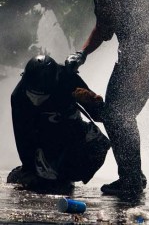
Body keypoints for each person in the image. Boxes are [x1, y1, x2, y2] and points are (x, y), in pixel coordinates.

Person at [65, 0, 149, 199]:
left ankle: (132, 179)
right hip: (126, 62)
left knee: (119, 116)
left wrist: (143, 71)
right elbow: (103, 29)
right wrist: (82, 54)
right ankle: (132, 175)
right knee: (115, 117)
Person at [8, 55, 110, 194]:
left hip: (73, 133)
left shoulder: (67, 78)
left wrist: (92, 101)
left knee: (100, 144)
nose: (37, 98)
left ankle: (65, 173)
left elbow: (100, 115)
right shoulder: (18, 96)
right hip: (43, 142)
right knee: (43, 183)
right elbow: (22, 137)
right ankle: (45, 172)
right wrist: (29, 168)